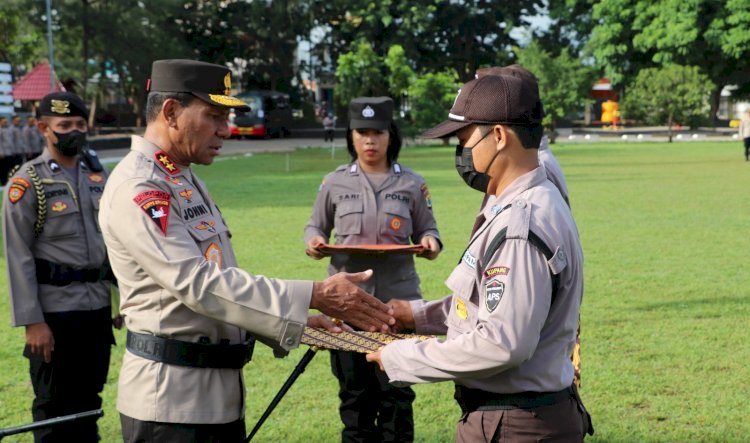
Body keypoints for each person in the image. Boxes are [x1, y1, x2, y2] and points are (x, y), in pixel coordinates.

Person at [98, 59, 395, 443]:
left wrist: (295, 324)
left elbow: (221, 288)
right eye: (214, 116)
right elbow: (198, 284)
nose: (227, 129)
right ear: (171, 112)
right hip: (171, 404)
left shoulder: (181, 176)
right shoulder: (140, 187)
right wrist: (316, 295)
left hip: (212, 397)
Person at [366, 74, 594, 441]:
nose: (461, 154)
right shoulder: (528, 200)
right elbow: (490, 304)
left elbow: (502, 343)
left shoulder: (521, 225)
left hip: (515, 424)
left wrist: (402, 357)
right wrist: (417, 315)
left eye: (464, 140)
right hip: (519, 417)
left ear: (500, 136)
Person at [304, 96, 442, 443]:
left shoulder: (412, 183)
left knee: (397, 399)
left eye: (377, 132)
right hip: (347, 310)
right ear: (350, 136)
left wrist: (430, 244)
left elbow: (429, 230)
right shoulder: (334, 183)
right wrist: (315, 242)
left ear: (390, 135)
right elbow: (314, 227)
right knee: (355, 401)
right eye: (361, 132)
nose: (370, 140)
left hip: (398, 310)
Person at [3, 91, 118, 442]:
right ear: (43, 128)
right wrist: (33, 322)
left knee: (89, 404)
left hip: (97, 308)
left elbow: (114, 243)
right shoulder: (28, 182)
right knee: (53, 410)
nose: (74, 131)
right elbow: (17, 254)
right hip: (54, 315)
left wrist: (119, 299)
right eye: (64, 125)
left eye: (80, 124)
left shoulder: (99, 175)